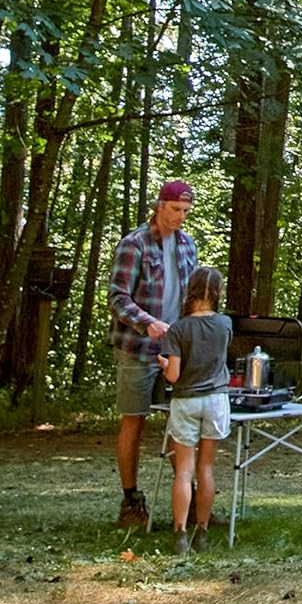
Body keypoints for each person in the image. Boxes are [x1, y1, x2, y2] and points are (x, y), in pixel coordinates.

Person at [108, 179, 199, 528]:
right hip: (137, 348)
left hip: (176, 349)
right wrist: (147, 323)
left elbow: (193, 297)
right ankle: (131, 501)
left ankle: (188, 503)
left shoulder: (187, 245)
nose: (180, 217)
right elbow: (117, 297)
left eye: (186, 212)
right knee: (135, 419)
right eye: (175, 209)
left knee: (181, 422)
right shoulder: (134, 244)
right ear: (160, 206)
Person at [158, 266, 233, 555]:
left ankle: (179, 533)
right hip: (216, 400)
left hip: (185, 400)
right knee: (206, 467)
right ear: (218, 294)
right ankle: (202, 531)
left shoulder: (178, 329)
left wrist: (164, 364)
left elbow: (174, 376)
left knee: (184, 471)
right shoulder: (225, 324)